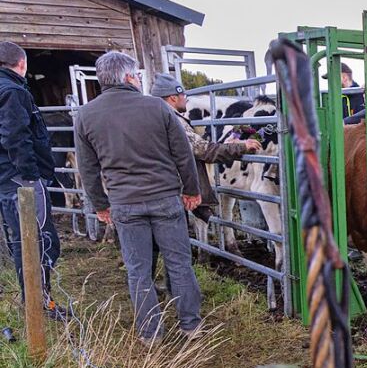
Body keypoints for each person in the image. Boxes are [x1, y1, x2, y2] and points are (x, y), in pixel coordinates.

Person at [74, 52, 203, 344]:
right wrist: (192, 190)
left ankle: (150, 333)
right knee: (179, 263)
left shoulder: (86, 115)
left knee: (138, 271)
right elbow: (183, 154)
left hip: (124, 204)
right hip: (165, 198)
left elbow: (88, 168)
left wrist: (100, 204)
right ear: (130, 77)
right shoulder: (158, 107)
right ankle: (191, 325)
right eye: (138, 75)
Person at [0, 41, 62, 315]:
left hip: (5, 179)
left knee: (21, 241)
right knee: (42, 241)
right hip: (19, 181)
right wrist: (31, 177)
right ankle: (40, 303)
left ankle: (32, 301)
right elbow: (16, 136)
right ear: (22, 64)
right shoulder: (12, 91)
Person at [150, 73, 261, 226]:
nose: (186, 98)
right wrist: (241, 146)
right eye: (183, 94)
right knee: (175, 244)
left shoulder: (148, 118)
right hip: (169, 193)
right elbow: (204, 150)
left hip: (150, 190)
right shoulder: (173, 120)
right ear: (173, 98)